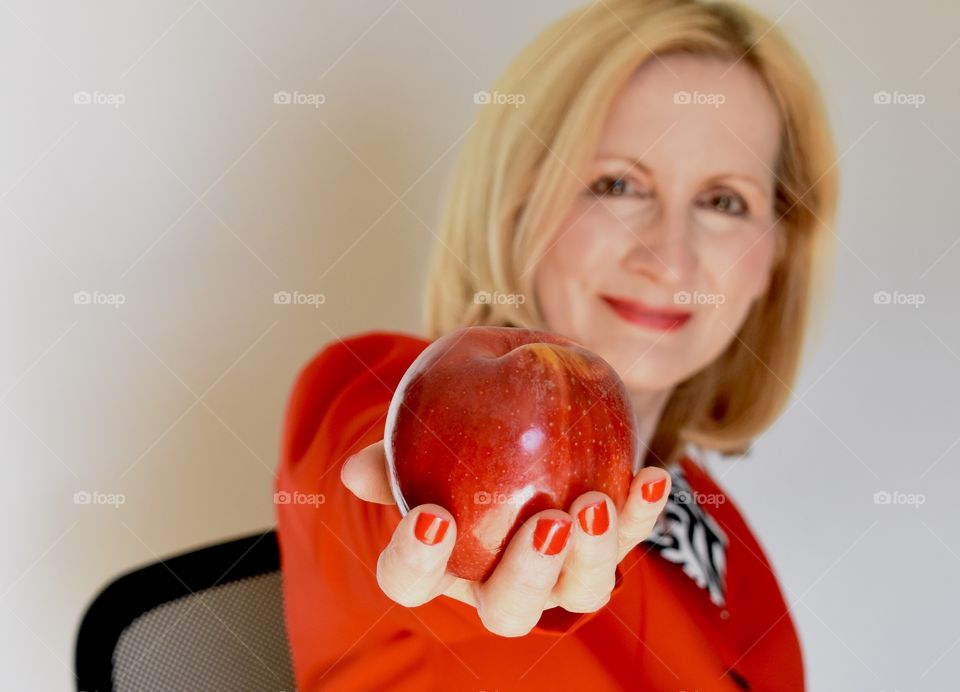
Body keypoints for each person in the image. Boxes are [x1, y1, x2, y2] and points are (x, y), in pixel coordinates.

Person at [274, 0, 839, 689]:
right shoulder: (371, 390)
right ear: (517, 204)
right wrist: (442, 519)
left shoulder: (717, 539)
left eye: (724, 202)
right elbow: (364, 497)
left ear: (777, 253)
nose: (670, 258)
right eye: (617, 185)